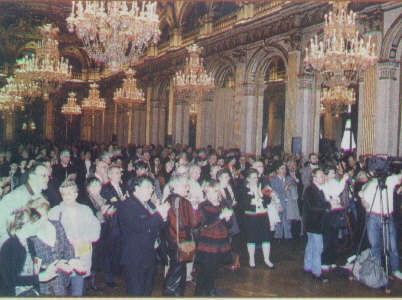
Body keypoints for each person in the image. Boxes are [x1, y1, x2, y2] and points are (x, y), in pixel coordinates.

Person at [117, 176, 169, 296]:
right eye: (148, 187)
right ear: (136, 188)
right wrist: (158, 215)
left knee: (147, 291)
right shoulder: (127, 205)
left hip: (149, 255)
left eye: (152, 187)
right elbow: (139, 226)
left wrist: (163, 218)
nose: (151, 190)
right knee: (136, 292)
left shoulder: (149, 204)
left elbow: (155, 226)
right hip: (135, 258)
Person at [48, 180, 101, 296]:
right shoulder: (55, 212)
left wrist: (83, 239)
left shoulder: (85, 210)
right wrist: (67, 241)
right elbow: (49, 234)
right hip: (62, 258)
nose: (67, 197)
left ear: (76, 194)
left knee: (78, 290)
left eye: (70, 193)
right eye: (64, 194)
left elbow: (95, 230)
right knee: (61, 290)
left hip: (81, 254)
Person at [27, 197, 75, 296]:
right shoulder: (31, 235)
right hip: (42, 285)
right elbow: (31, 265)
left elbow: (68, 247)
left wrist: (70, 262)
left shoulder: (57, 225)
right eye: (38, 216)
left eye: (44, 214)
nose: (42, 218)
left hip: (61, 278)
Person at [359, 171, 402, 280]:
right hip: (372, 216)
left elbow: (400, 177)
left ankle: (395, 269)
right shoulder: (367, 185)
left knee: (392, 245)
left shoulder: (390, 180)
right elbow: (364, 203)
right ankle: (377, 271)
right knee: (375, 245)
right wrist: (363, 201)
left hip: (387, 215)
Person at [194, 181, 232, 296]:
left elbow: (229, 225)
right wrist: (221, 217)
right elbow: (206, 224)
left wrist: (228, 218)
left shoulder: (223, 204)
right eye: (209, 192)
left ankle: (210, 289)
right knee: (205, 270)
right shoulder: (204, 205)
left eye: (215, 191)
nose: (212, 194)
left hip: (221, 242)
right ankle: (199, 293)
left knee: (214, 269)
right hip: (208, 243)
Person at [163, 175, 196, 296]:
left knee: (177, 269)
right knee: (177, 271)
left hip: (171, 240)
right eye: (185, 185)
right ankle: (171, 293)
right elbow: (191, 222)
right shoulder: (182, 201)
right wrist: (195, 209)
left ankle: (176, 293)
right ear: (175, 186)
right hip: (180, 240)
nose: (187, 188)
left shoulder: (168, 199)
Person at [0, 163, 49, 244]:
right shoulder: (14, 197)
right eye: (43, 176)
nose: (47, 179)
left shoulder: (41, 196)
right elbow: (2, 227)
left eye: (48, 176)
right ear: (32, 177)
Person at [0, 207, 42, 296]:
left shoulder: (29, 242)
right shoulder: (9, 246)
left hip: (30, 291)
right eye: (34, 223)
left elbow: (33, 268)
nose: (39, 225)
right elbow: (10, 280)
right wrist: (39, 278)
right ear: (23, 225)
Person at [303, 168, 334, 283]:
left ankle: (308, 266)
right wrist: (329, 206)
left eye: (323, 176)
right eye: (321, 176)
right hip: (314, 223)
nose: (324, 178)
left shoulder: (318, 189)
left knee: (311, 245)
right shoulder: (310, 190)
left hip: (313, 223)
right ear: (314, 178)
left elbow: (320, 203)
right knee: (318, 248)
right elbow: (314, 207)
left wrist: (329, 203)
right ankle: (317, 272)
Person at [238, 168, 274, 269]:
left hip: (262, 214)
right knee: (251, 237)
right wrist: (251, 202)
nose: (256, 180)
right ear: (248, 179)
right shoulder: (243, 188)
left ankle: (267, 259)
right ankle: (251, 259)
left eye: (257, 177)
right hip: (250, 216)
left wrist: (263, 197)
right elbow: (242, 204)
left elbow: (268, 199)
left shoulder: (262, 186)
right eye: (253, 178)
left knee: (266, 237)